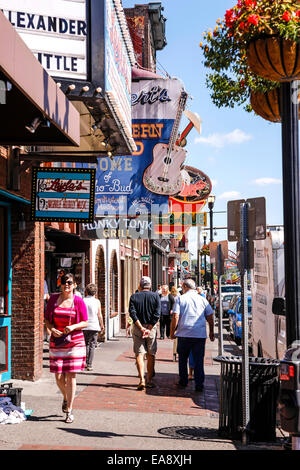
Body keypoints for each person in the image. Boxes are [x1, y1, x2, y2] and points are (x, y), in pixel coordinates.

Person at [45, 273, 88, 423]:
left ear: (75, 285)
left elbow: (85, 322)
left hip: (75, 342)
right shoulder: (53, 300)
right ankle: (65, 396)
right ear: (60, 285)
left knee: (70, 376)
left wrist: (73, 326)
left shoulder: (78, 301)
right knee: (58, 376)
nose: (66, 285)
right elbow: (46, 320)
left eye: (69, 282)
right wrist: (52, 329)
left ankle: (69, 410)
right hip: (57, 342)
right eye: (64, 282)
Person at [170, 278, 215, 392]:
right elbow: (210, 316)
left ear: (184, 287)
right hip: (199, 335)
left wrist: (172, 332)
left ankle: (183, 380)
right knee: (199, 360)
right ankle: (199, 384)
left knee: (183, 359)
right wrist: (211, 332)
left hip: (184, 333)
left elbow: (175, 316)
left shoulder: (180, 299)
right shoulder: (203, 300)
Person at [129, 276, 160, 390]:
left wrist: (141, 328)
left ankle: (141, 379)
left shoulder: (134, 296)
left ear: (140, 285)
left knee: (139, 353)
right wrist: (149, 327)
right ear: (150, 285)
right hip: (151, 329)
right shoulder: (155, 296)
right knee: (151, 354)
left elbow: (132, 313)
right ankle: (149, 380)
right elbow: (157, 314)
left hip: (138, 327)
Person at [83, 283, 104, 371]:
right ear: (95, 292)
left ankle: (84, 362)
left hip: (84, 326)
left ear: (86, 292)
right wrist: (102, 325)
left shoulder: (83, 300)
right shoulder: (97, 302)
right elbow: (99, 315)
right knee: (92, 345)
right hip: (94, 326)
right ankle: (89, 364)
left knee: (85, 344)